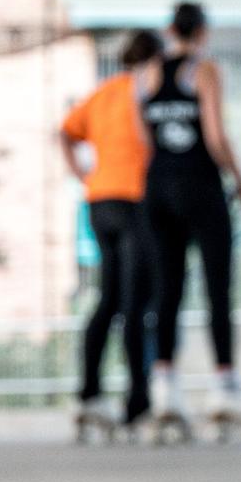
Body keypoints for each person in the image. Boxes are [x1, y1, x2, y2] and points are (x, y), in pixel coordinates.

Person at [136, 1, 241, 442]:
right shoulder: (205, 70)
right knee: (217, 288)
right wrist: (238, 176)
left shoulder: (144, 76)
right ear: (204, 33)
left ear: (168, 29)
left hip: (157, 189)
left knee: (167, 291)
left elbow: (145, 139)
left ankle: (165, 388)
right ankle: (224, 385)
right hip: (200, 187)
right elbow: (214, 136)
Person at [60, 29, 163, 440]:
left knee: (108, 300)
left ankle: (88, 394)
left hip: (99, 200)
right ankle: (137, 403)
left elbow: (65, 132)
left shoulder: (103, 92)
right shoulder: (146, 90)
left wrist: (81, 174)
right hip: (135, 199)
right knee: (135, 305)